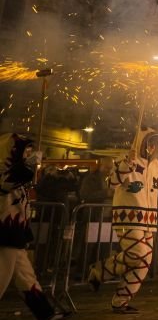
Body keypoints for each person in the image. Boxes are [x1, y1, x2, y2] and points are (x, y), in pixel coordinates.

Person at [88, 127, 158, 314]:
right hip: (128, 217)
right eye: (149, 142)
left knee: (144, 263)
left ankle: (120, 301)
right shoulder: (126, 159)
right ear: (142, 143)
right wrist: (125, 166)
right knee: (136, 254)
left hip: (149, 221)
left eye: (155, 144)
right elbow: (112, 183)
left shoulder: (156, 166)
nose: (152, 147)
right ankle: (100, 271)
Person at [0, 134, 63, 320]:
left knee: (26, 278)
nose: (28, 153)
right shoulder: (3, 170)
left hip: (15, 233)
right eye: (24, 150)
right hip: (5, 233)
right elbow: (12, 179)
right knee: (2, 277)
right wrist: (30, 166)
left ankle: (44, 312)